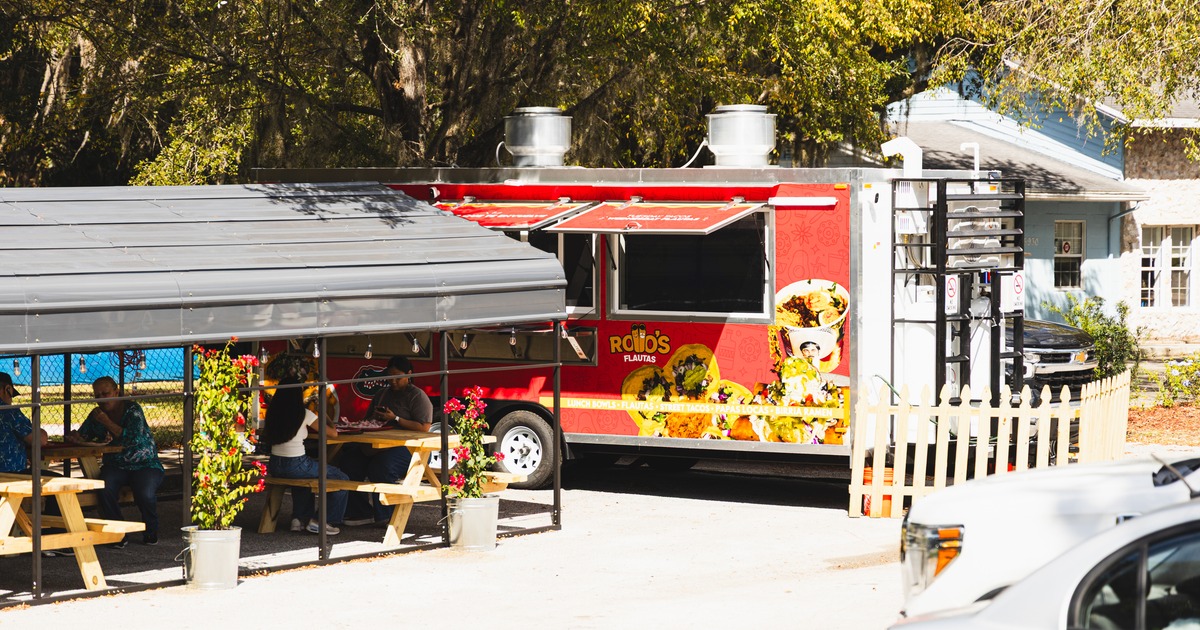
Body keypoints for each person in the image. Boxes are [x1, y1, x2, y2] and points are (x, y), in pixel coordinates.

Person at [67, 376, 164, 547]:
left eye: (106, 393)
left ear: (116, 392)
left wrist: (106, 421)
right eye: (97, 396)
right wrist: (75, 437)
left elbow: (130, 438)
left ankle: (151, 530)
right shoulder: (96, 414)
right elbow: (85, 435)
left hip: (145, 464)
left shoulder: (132, 410)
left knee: (145, 493)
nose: (102, 399)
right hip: (116, 465)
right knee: (104, 487)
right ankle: (117, 532)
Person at [338, 355, 432, 525]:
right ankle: (361, 512)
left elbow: (424, 427)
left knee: (381, 466)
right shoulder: (382, 394)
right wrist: (375, 417)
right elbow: (367, 418)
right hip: (378, 443)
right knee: (348, 462)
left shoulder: (417, 396)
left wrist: (395, 418)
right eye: (390, 377)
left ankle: (386, 515)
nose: (393, 382)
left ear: (409, 374)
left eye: (398, 377)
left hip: (408, 448)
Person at [262, 379, 348, 535]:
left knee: (303, 479)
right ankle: (322, 521)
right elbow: (333, 433)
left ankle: (299, 519)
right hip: (296, 464)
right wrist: (324, 415)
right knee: (341, 478)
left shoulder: (272, 412)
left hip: (274, 464)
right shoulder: (303, 414)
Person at [0, 372, 48, 473]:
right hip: (11, 473)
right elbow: (39, 440)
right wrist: (42, 432)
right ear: (7, 389)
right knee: (58, 479)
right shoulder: (10, 412)